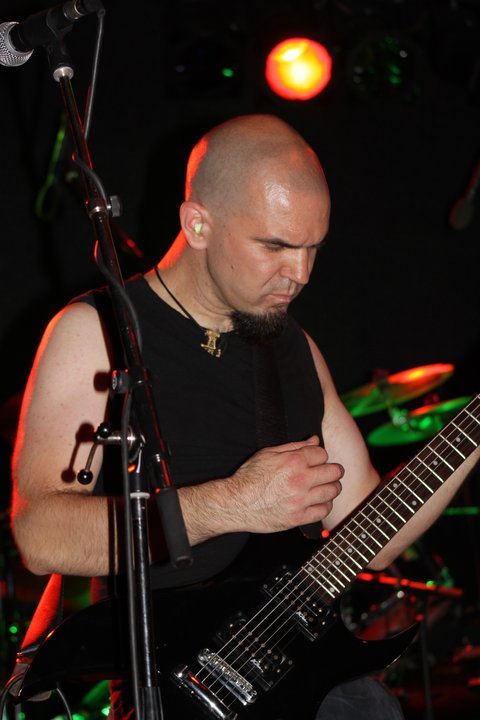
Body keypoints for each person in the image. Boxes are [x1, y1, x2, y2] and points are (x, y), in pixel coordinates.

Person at [10, 114, 479, 719]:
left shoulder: (293, 348)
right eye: (276, 246)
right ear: (197, 224)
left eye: (313, 248)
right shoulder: (96, 333)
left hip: (293, 684)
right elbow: (39, 535)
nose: (300, 275)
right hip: (174, 691)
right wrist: (233, 504)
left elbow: (371, 535)